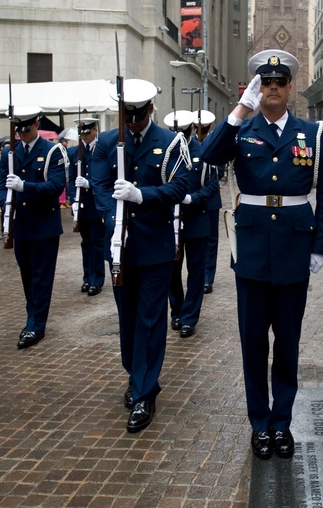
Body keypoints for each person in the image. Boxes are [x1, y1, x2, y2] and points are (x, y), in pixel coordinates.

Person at [199, 49, 323, 460]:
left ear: (290, 87)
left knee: (288, 343)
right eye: (265, 82)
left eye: (279, 82)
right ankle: (259, 423)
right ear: (258, 87)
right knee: (253, 341)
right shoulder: (241, 130)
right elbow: (207, 156)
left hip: (295, 248)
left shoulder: (313, 133)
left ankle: (281, 422)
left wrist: (321, 247)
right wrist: (240, 110)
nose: (272, 88)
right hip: (254, 250)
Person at [92, 79, 189, 434]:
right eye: (125, 115)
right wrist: (114, 217)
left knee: (151, 319)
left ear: (150, 109)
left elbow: (179, 187)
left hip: (154, 245)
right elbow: (100, 186)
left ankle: (145, 391)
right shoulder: (105, 142)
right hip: (119, 244)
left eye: (137, 114)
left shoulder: (169, 142)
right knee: (129, 318)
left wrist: (141, 195)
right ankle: (135, 374)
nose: (131, 122)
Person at [0, 106, 68, 350]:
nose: (22, 135)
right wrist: (5, 202)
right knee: (27, 276)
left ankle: (36, 324)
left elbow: (56, 187)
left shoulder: (52, 152)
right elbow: (1, 184)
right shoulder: (10, 152)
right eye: (18, 130)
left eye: (26, 129)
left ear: (36, 124)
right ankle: (33, 316)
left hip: (43, 225)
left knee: (41, 277)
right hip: (21, 224)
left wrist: (24, 186)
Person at [165, 110, 219, 338]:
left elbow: (212, 185)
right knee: (171, 270)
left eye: (180, 132)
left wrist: (193, 198)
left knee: (196, 272)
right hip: (170, 220)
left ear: (189, 131)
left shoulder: (204, 152)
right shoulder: (167, 153)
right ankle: (176, 311)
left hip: (196, 218)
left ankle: (190, 317)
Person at [69, 117, 105, 296]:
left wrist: (89, 183)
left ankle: (97, 279)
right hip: (82, 205)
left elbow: (106, 179)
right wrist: (72, 200)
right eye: (81, 133)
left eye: (87, 133)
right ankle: (87, 277)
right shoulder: (75, 152)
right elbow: (70, 179)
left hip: (96, 205)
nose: (84, 137)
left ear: (95, 131)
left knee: (97, 243)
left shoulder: (102, 150)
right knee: (85, 243)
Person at [193, 111, 222, 294]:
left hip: (210, 198)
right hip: (194, 196)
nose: (200, 132)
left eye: (203, 129)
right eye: (198, 128)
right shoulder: (190, 142)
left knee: (211, 239)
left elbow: (220, 170)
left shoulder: (216, 142)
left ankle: (207, 277)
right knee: (196, 238)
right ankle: (197, 275)